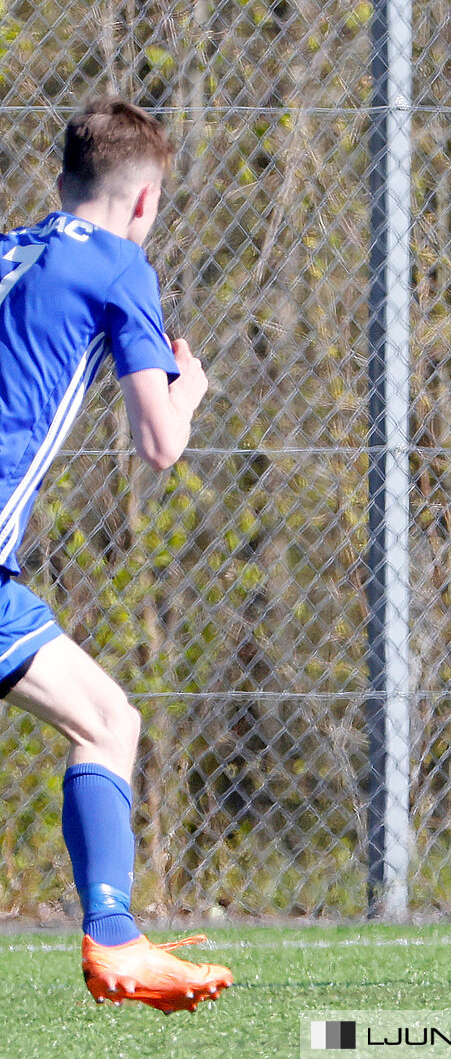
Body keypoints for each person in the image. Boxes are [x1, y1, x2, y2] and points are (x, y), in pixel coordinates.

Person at [0, 98, 231, 1012]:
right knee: (109, 724)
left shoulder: (11, 250)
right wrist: (191, 389)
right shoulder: (122, 266)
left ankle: (118, 937)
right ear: (144, 205)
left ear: (60, 184)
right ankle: (115, 942)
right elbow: (160, 443)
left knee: (105, 716)